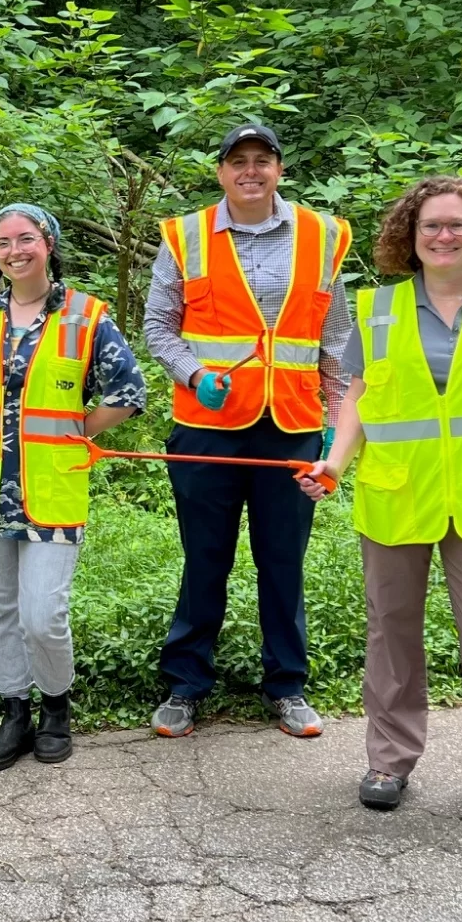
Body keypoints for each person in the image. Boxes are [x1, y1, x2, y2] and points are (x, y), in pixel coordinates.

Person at [301, 177, 462, 830]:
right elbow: (357, 397)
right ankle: (389, 762)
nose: (444, 236)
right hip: (396, 495)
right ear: (409, 238)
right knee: (392, 637)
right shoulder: (378, 310)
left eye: (456, 226)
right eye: (431, 227)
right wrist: (334, 460)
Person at [143, 122, 353, 740]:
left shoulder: (322, 236)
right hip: (206, 427)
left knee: (283, 560)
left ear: (279, 170)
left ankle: (287, 685)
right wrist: (192, 371)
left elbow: (335, 341)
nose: (251, 171)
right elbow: (160, 326)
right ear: (221, 172)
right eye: (239, 161)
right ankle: (186, 684)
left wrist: (335, 433)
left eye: (263, 160)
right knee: (205, 556)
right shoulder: (185, 236)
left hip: (290, 426)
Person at [0, 204, 145, 771]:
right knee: (0, 608)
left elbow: (128, 390)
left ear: (49, 244)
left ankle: (56, 706)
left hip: (52, 485)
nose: (14, 251)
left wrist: (84, 427)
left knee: (42, 613)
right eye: (2, 242)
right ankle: (14, 711)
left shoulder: (87, 315)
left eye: (25, 239)